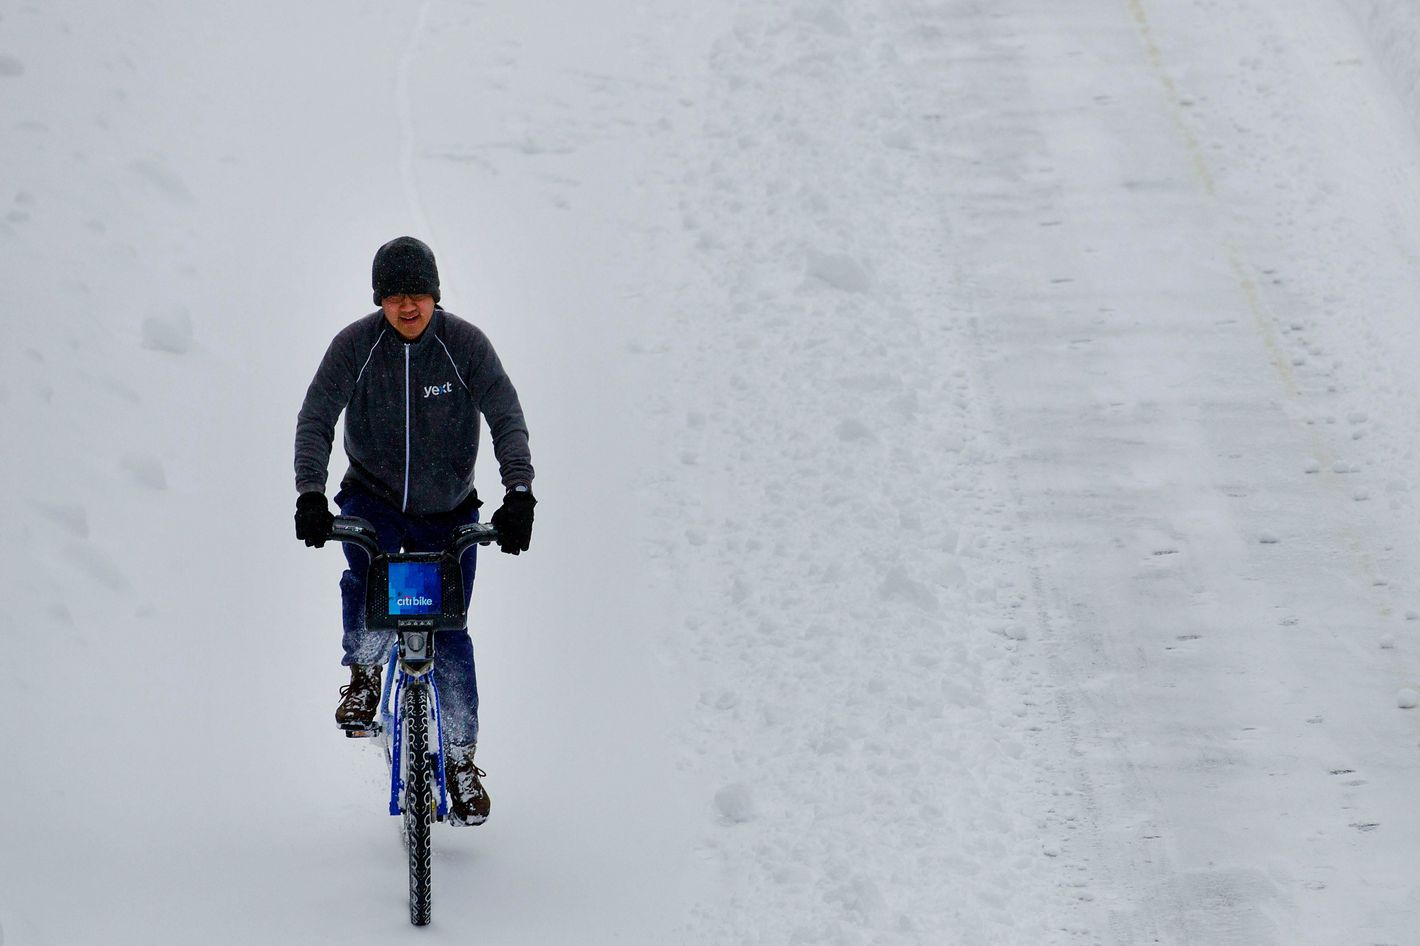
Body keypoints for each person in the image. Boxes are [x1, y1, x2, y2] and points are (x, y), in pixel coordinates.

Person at [292, 236, 536, 826]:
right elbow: (317, 416)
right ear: (380, 299)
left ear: (434, 295)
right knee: (369, 582)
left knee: (449, 632)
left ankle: (460, 760)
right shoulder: (356, 346)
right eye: (396, 297)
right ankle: (366, 670)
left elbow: (505, 414)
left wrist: (519, 493)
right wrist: (310, 492)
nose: (408, 308)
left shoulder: (464, 347)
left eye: (418, 295)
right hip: (373, 500)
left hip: (449, 510)